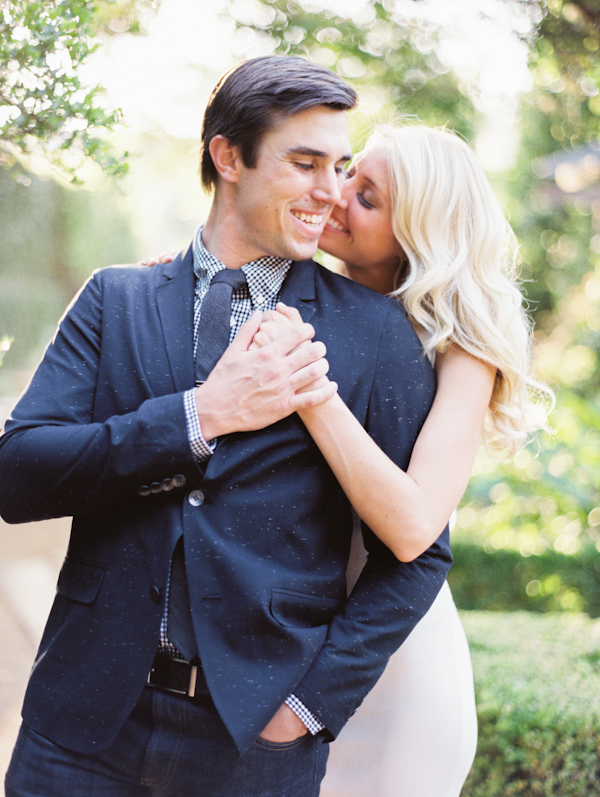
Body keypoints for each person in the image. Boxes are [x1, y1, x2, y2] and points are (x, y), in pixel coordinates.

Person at [0, 59, 452, 797]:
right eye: (305, 163)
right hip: (78, 727)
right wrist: (199, 417)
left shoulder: (375, 334)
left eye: (340, 167)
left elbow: (418, 555)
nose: (330, 193)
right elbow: (17, 475)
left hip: (251, 750)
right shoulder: (117, 298)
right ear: (228, 156)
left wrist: (307, 708)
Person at [251, 123, 552, 796]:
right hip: (292, 648)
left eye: (367, 195)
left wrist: (311, 390)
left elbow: (415, 525)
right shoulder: (305, 297)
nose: (334, 196)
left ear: (417, 229)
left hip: (397, 678)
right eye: (345, 174)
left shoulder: (462, 353)